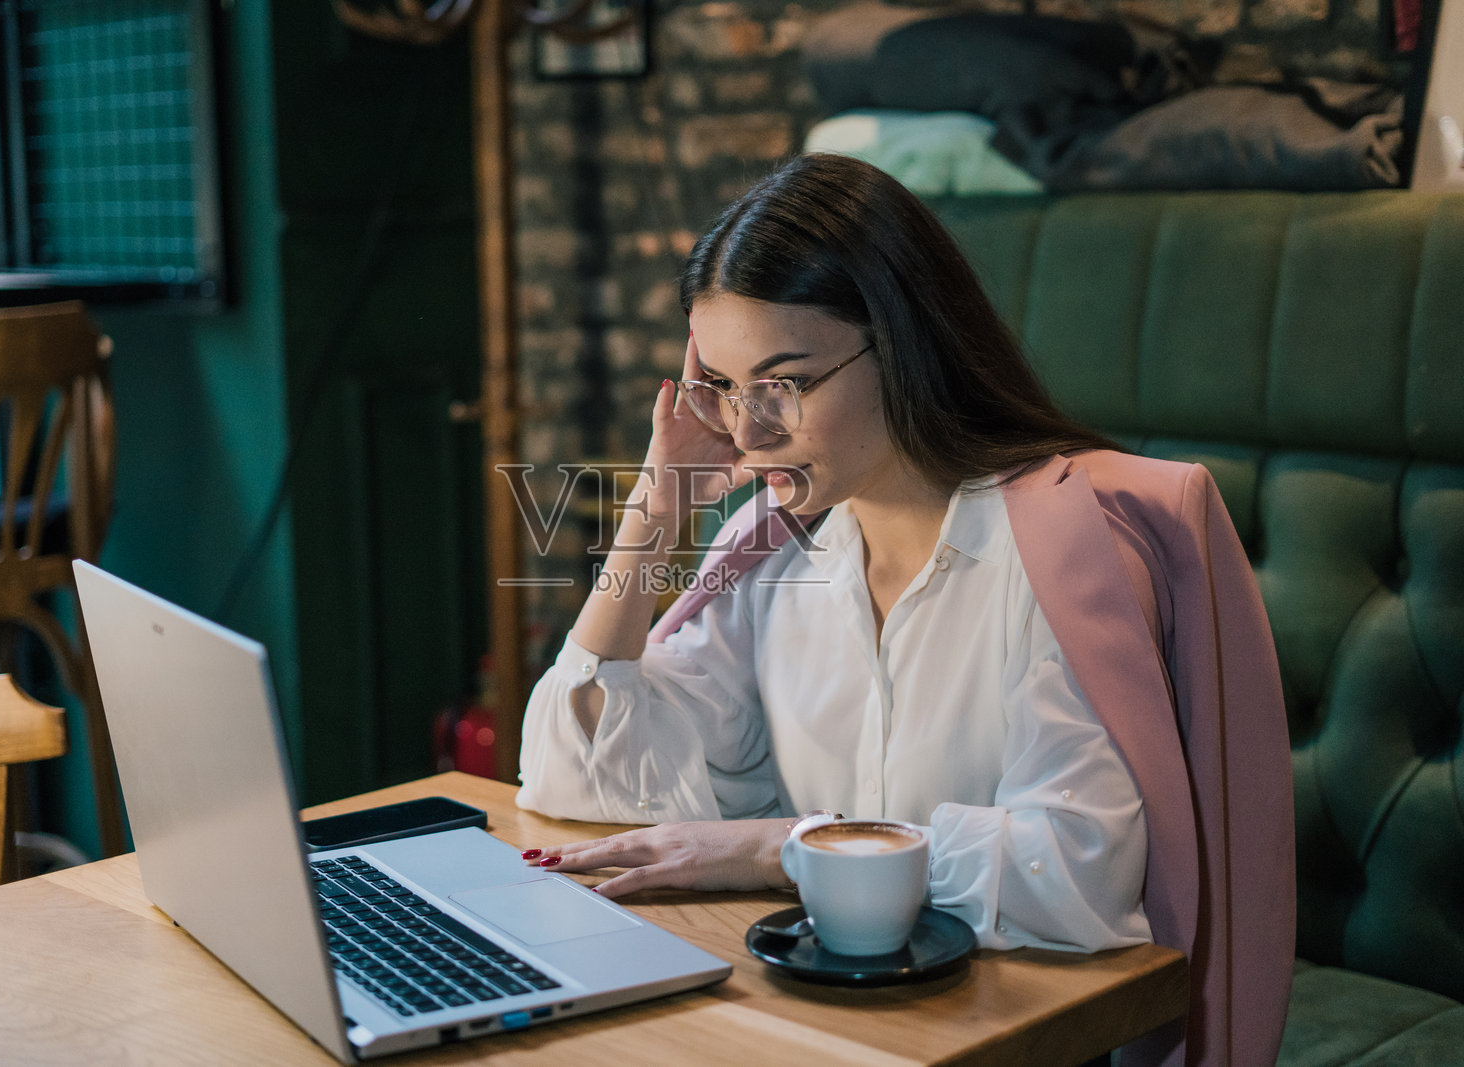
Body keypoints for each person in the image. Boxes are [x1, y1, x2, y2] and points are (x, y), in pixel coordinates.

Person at [515, 154, 1293, 1064]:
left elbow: (1074, 873)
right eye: (723, 388)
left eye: (783, 383)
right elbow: (573, 778)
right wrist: (658, 504)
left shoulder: (1060, 549)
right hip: (827, 1031)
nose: (749, 432)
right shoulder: (774, 545)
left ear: (902, 342)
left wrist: (786, 848)